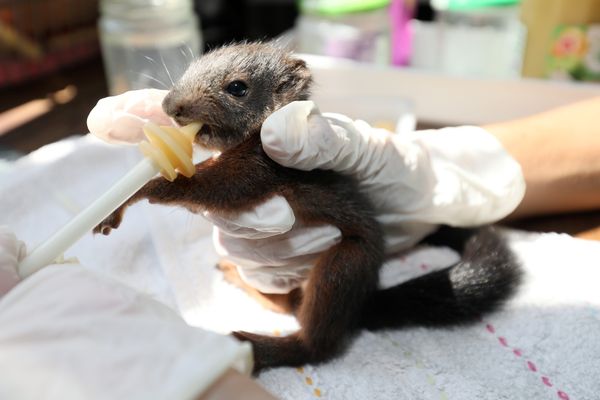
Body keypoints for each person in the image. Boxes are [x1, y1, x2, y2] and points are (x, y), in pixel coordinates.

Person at [1, 93, 598, 398]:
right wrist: (449, 165)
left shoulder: (269, 148)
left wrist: (142, 193)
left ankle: (309, 340)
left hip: (352, 246)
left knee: (336, 260)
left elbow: (225, 191)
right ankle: (297, 303)